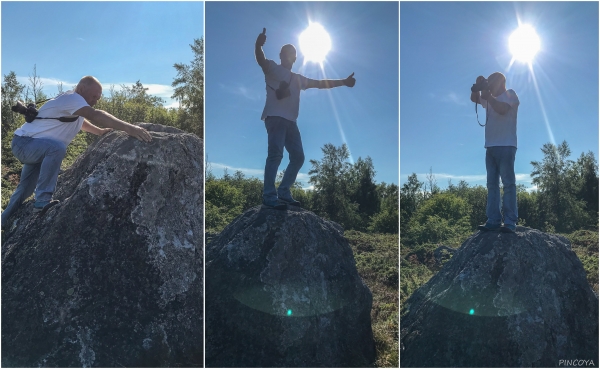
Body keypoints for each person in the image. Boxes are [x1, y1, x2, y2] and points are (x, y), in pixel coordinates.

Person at [1, 76, 152, 226]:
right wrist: (129, 128)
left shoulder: (74, 105)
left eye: (98, 98)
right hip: (25, 144)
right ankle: (42, 201)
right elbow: (95, 115)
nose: (95, 100)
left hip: (36, 148)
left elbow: (81, 122)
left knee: (24, 190)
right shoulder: (72, 98)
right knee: (57, 148)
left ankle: (3, 223)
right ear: (81, 89)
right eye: (94, 96)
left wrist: (99, 132)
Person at [255, 27, 356, 209]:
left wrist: (343, 81)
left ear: (295, 58)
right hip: (275, 118)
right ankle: (269, 195)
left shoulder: (298, 78)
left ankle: (283, 192)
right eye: (287, 53)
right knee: (276, 155)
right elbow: (260, 59)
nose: (290, 57)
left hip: (291, 122)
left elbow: (320, 84)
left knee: (298, 157)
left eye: (293, 54)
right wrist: (258, 45)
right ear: (281, 55)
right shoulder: (272, 69)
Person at [470, 72, 520, 233]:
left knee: (508, 184)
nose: (490, 86)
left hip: (506, 145)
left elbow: (502, 109)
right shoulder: (489, 97)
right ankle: (493, 219)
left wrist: (489, 96)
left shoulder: (510, 94)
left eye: (491, 83)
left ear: (501, 82)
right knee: (492, 185)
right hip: (490, 146)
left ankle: (510, 221)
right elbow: (474, 99)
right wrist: (476, 88)